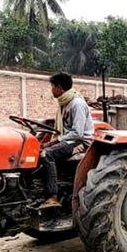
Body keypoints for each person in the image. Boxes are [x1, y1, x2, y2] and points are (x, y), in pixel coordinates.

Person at [39, 73, 94, 208]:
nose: (51, 90)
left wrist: (54, 141)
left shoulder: (77, 104)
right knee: (37, 149)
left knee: (47, 154)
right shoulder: (64, 102)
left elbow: (78, 133)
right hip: (69, 139)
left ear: (59, 88)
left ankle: (52, 197)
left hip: (80, 142)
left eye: (52, 86)